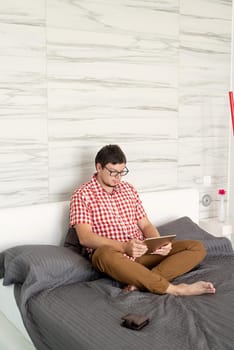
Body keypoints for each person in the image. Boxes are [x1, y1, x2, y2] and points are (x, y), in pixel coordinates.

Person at [69, 144, 216, 296]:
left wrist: (159, 243)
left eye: (122, 172)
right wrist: (124, 247)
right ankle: (175, 289)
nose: (118, 178)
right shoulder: (82, 194)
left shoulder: (129, 189)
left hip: (142, 253)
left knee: (196, 247)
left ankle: (140, 282)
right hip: (115, 258)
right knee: (103, 254)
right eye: (113, 172)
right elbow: (85, 238)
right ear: (99, 167)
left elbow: (145, 224)